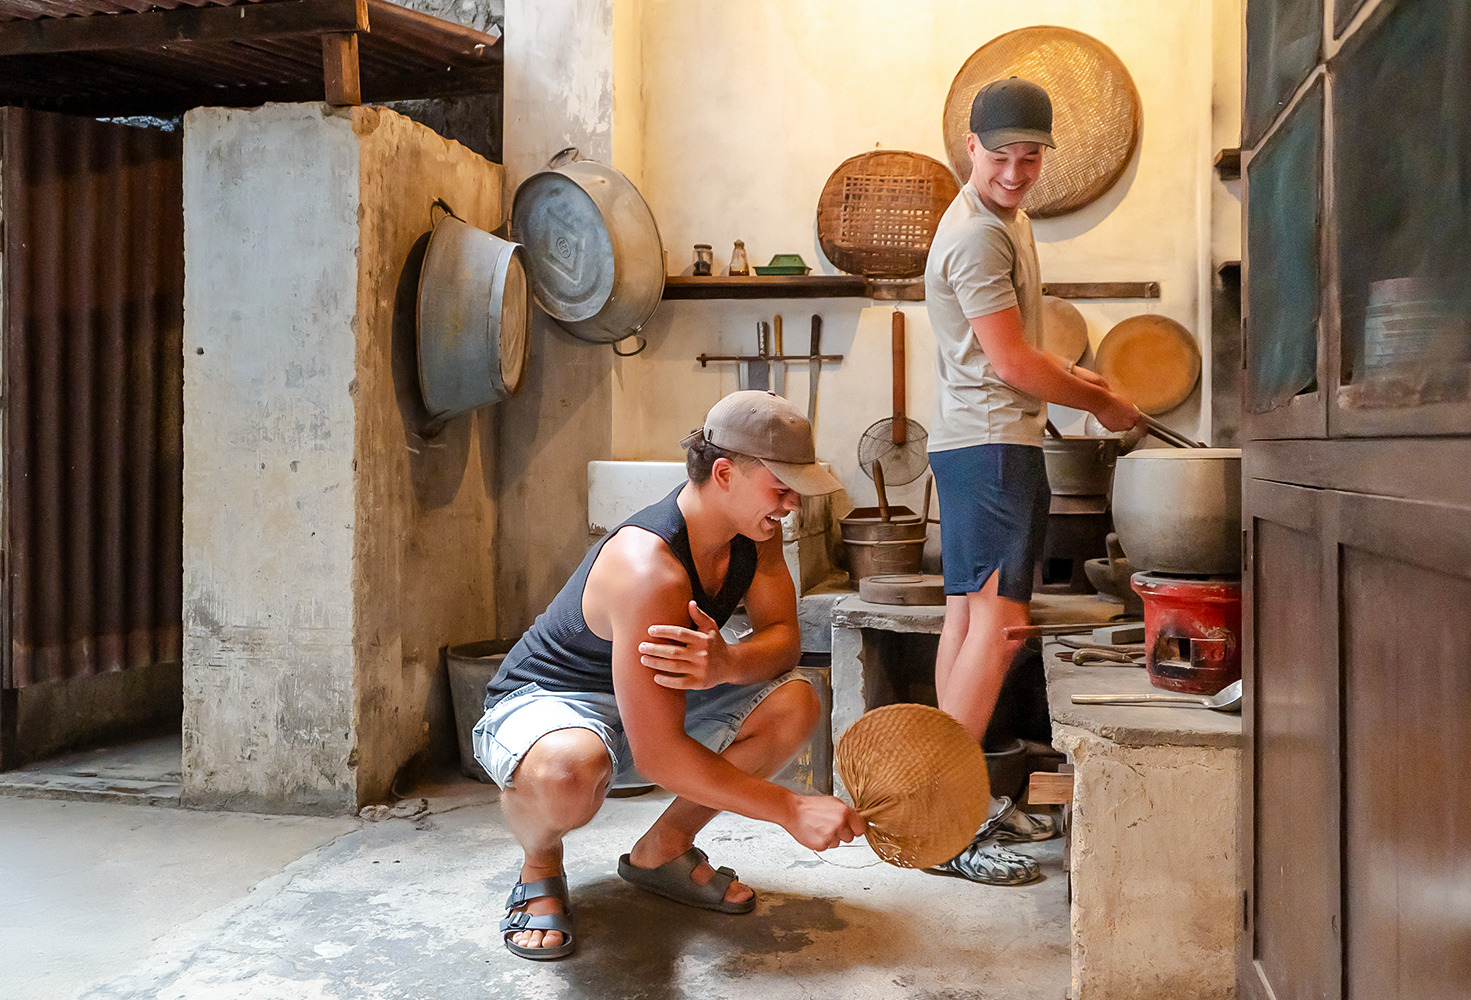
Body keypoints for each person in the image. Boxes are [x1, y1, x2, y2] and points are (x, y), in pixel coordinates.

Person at [475, 390, 866, 961]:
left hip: (655, 702)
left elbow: (784, 640)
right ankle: (539, 861)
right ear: (726, 473)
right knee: (567, 775)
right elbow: (659, 757)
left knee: (797, 702)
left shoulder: (757, 535)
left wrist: (728, 662)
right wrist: (791, 808)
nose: (791, 505)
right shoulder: (650, 570)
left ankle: (664, 848)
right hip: (554, 704)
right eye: (781, 488)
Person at [922, 77, 1144, 885]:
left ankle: (945, 803)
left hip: (972, 442)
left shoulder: (998, 216)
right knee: (1004, 626)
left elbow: (1017, 352)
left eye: (1031, 157)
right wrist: (1103, 400)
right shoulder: (978, 235)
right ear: (970, 148)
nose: (1016, 173)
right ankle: (943, 821)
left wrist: (1085, 387)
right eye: (1002, 156)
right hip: (992, 448)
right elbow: (1014, 363)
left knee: (967, 621)